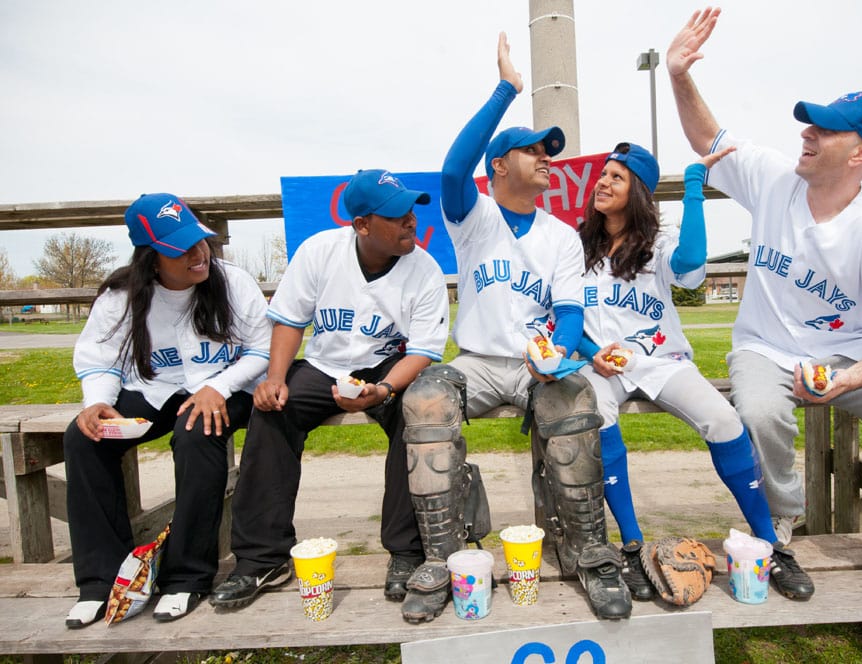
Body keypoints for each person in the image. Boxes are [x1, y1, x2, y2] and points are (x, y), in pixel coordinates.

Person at [665, 7, 862, 606]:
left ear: (861, 154)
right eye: (809, 124)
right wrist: (679, 73)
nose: (805, 134)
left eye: (824, 129)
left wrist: (845, 380)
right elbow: (711, 138)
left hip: (849, 357)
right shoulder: (776, 178)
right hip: (764, 347)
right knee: (756, 411)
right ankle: (779, 519)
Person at [398, 33, 631, 624]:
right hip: (477, 361)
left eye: (549, 150)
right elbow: (454, 167)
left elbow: (571, 312)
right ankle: (442, 556)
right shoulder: (473, 216)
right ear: (500, 166)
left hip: (535, 361)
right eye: (533, 150)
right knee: (425, 397)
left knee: (575, 397)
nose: (547, 157)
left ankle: (585, 549)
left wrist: (558, 354)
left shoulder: (558, 235)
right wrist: (507, 90)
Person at [575, 141, 814, 601]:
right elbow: (563, 310)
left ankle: (770, 544)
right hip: (601, 365)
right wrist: (587, 351)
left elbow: (690, 265)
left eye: (617, 177)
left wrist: (692, 187)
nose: (603, 182)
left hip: (661, 359)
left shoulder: (658, 243)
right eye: (603, 175)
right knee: (597, 418)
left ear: (639, 192)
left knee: (724, 420)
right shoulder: (577, 243)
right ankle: (631, 545)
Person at [209, 169, 450, 610]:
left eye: (410, 212)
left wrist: (384, 391)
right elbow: (289, 321)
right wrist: (275, 379)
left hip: (389, 365)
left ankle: (406, 551)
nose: (410, 222)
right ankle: (262, 557)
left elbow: (422, 353)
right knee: (274, 409)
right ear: (361, 225)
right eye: (396, 216)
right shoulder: (320, 251)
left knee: (415, 412)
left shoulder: (425, 269)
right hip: (326, 365)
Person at [63, 193, 272, 627]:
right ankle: (102, 581)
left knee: (198, 431)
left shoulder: (232, 282)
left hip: (226, 384)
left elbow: (261, 351)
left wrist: (219, 385)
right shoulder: (122, 295)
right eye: (182, 249)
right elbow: (98, 359)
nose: (199, 255)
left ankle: (188, 577)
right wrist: (97, 402)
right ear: (150, 258)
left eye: (200, 242)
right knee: (83, 438)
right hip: (155, 389)